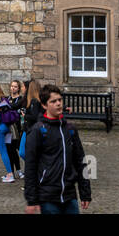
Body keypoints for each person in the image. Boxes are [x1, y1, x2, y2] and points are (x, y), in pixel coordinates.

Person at [24, 84, 91, 214]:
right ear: (44, 105)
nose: (58, 104)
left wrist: (85, 192)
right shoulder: (38, 130)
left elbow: (81, 161)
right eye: (53, 101)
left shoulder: (70, 129)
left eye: (59, 100)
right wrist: (32, 200)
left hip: (69, 195)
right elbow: (30, 167)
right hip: (48, 196)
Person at [6, 79, 25, 179]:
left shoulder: (20, 99)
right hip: (8, 128)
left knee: (17, 149)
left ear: (18, 88)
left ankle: (19, 170)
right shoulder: (7, 98)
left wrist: (7, 107)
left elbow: (15, 107)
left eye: (15, 86)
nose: (13, 88)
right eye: (12, 86)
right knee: (10, 150)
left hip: (17, 129)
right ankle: (11, 172)